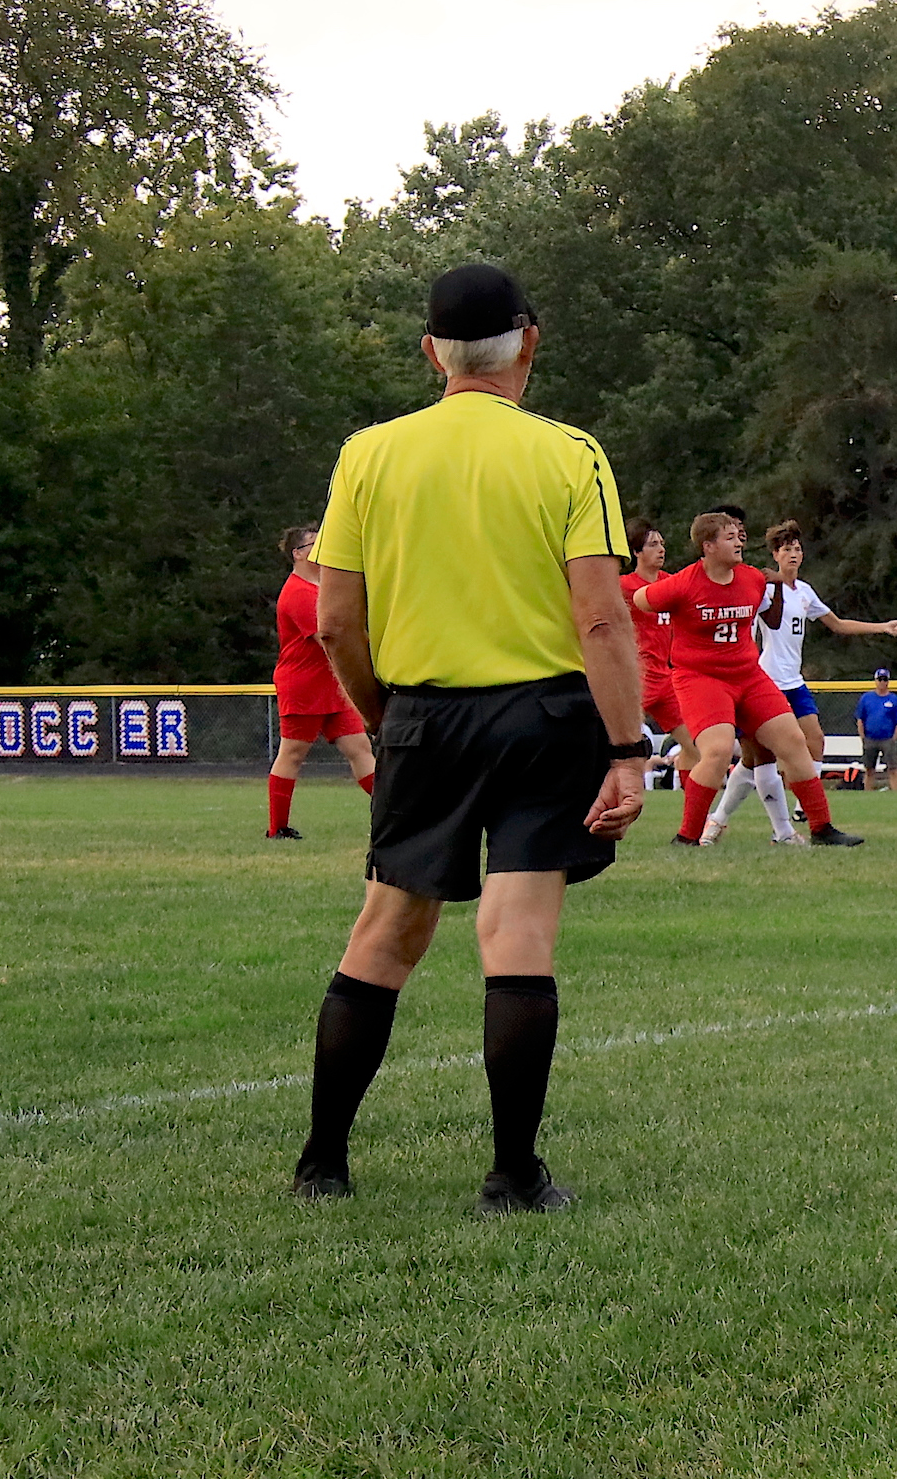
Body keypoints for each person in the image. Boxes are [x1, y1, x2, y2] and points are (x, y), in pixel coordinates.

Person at [293, 261, 647, 1214]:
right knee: (516, 932)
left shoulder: (368, 454)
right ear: (529, 341)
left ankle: (322, 1165)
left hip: (422, 714)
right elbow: (602, 618)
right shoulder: (571, 453)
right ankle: (512, 1176)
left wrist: (387, 717)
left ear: (431, 352)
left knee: (385, 932)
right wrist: (627, 751)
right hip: (545, 720)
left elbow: (335, 623)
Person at [634, 512, 861, 847]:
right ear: (708, 546)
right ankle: (687, 837)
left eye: (739, 536)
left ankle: (822, 828)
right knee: (717, 751)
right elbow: (641, 599)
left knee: (794, 742)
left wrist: (780, 582)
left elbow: (771, 612)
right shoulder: (684, 583)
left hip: (748, 675)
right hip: (702, 678)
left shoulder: (752, 579)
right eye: (729, 537)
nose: (739, 542)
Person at [703, 520, 897, 842]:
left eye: (797, 549)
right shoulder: (766, 590)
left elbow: (837, 625)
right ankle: (723, 820)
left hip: (794, 682)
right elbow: (745, 622)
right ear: (775, 555)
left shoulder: (805, 592)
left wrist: (882, 627)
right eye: (786, 549)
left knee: (815, 741)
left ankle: (800, 809)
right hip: (766, 681)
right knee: (758, 759)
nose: (793, 554)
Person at [267, 524, 376, 839]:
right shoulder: (298, 593)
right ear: (298, 554)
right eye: (315, 545)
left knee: (360, 749)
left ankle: (396, 813)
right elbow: (327, 638)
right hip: (303, 686)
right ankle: (277, 828)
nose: (322, 550)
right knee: (293, 753)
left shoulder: (320, 589)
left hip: (332, 685)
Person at [619, 518, 695, 788]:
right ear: (636, 552)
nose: (661, 549)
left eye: (662, 543)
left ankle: (693, 810)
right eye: (652, 544)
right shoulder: (623, 586)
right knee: (619, 748)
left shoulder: (672, 583)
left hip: (666, 678)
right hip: (636, 679)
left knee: (696, 747)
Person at [856, 669, 897, 791]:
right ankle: (867, 793)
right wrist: (863, 737)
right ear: (875, 681)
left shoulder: (894, 699)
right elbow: (860, 719)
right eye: (880, 679)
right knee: (869, 770)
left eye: (885, 679)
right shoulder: (866, 698)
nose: (882, 682)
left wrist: (893, 739)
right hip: (870, 739)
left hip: (887, 739)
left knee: (892, 769)